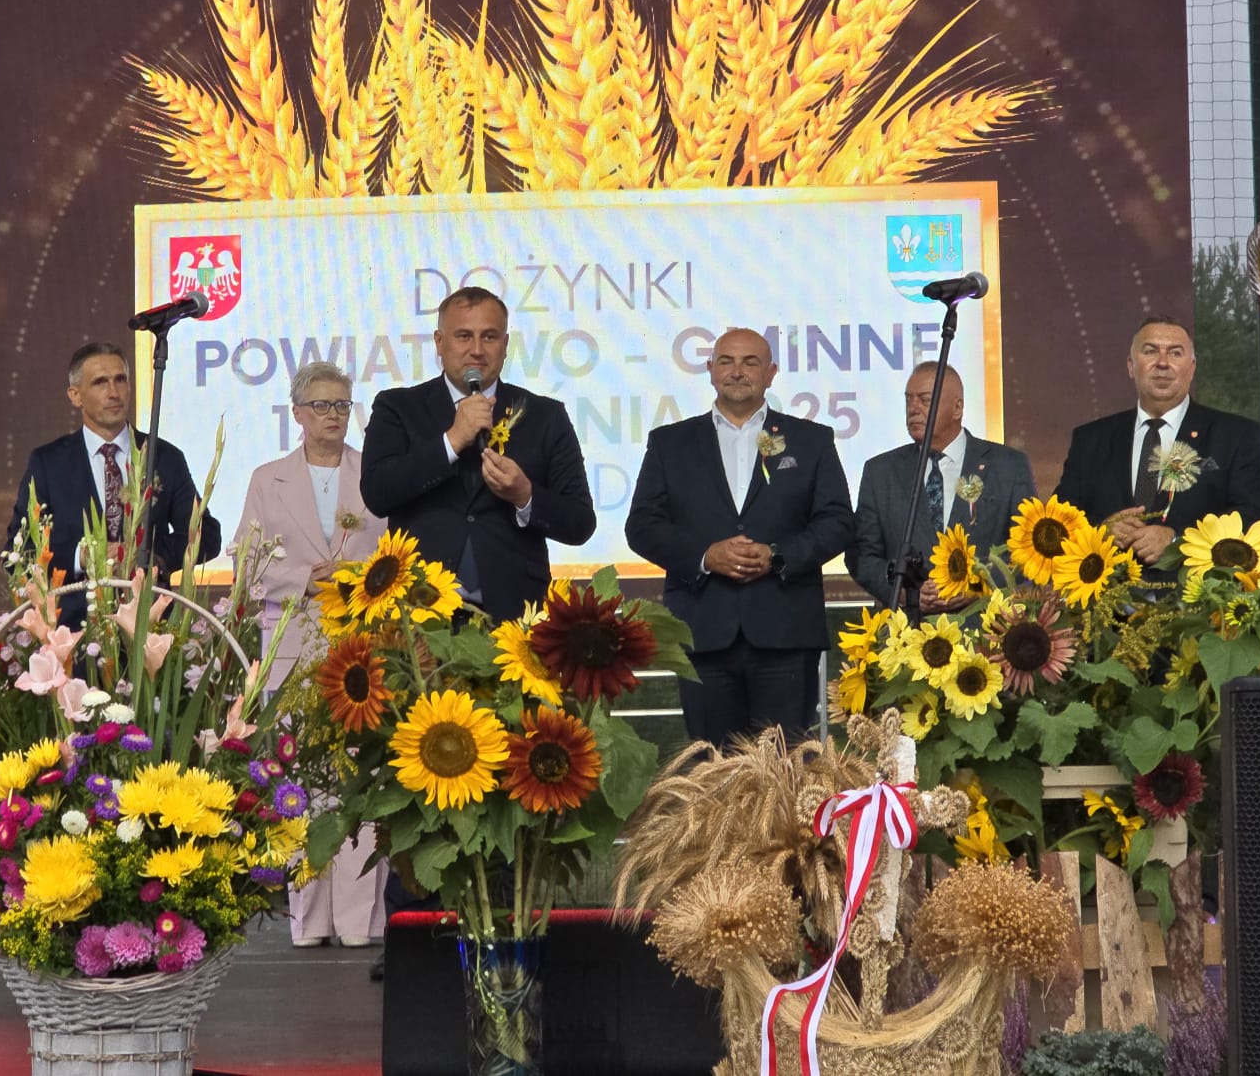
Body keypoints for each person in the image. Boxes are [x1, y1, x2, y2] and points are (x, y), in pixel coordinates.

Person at [625, 328, 854, 746]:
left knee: (786, 768)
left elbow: (837, 522)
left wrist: (777, 556)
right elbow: (642, 526)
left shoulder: (811, 440)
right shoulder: (670, 443)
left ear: (771, 373)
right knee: (712, 771)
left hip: (785, 634)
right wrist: (704, 556)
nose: (737, 371)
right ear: (710, 370)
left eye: (750, 362)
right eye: (726, 361)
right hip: (703, 633)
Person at [229, 361, 387, 949]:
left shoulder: (376, 475)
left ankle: (359, 922)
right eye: (320, 406)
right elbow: (247, 567)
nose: (332, 416)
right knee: (301, 780)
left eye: (341, 405)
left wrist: (355, 579)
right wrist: (305, 579)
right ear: (296, 413)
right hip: (292, 642)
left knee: (361, 778)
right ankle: (310, 919)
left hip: (360, 643)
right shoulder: (267, 479)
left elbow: (398, 555)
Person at [359, 287, 595, 622]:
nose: (477, 350)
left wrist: (525, 496)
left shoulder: (544, 416)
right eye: (463, 336)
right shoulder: (398, 407)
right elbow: (377, 493)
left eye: (489, 337)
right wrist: (452, 440)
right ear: (439, 342)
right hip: (418, 612)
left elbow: (580, 523)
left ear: (506, 345)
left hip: (513, 615)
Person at [8, 341, 222, 626]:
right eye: (100, 383)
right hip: (71, 632)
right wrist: (81, 557)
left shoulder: (163, 457)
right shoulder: (48, 463)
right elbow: (18, 553)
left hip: (150, 627)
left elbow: (207, 537)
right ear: (75, 395)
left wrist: (144, 557)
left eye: (120, 380)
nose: (113, 392)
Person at [1054, 314, 1260, 569]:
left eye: (1175, 353)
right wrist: (1100, 532)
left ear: (1192, 368)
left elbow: (1257, 520)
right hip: (1107, 588)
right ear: (1130, 366)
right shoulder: (1090, 440)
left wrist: (1178, 539)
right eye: (1150, 351)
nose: (1162, 363)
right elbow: (1059, 522)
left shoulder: (1237, 436)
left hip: (1195, 589)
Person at [850, 362, 1037, 614]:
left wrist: (974, 585)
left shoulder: (1008, 467)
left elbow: (1028, 551)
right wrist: (903, 592)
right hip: (908, 626)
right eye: (908, 400)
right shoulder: (881, 472)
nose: (913, 409)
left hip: (985, 626)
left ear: (957, 408)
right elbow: (862, 555)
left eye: (925, 400)